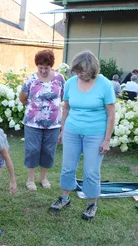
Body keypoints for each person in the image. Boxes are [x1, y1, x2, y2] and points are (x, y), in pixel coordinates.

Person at [49, 50, 115, 220]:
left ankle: (91, 204)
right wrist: (63, 130)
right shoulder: (71, 83)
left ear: (92, 68)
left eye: (82, 71)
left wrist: (107, 139)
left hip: (96, 133)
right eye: (77, 70)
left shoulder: (105, 84)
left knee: (91, 170)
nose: (79, 74)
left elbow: (111, 113)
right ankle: (64, 197)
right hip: (72, 131)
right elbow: (66, 108)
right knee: (67, 167)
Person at [19, 49, 65, 190]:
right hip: (33, 122)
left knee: (48, 151)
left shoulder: (60, 79)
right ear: (37, 65)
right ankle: (31, 179)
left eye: (47, 67)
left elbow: (63, 97)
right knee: (32, 150)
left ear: (51, 66)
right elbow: (22, 97)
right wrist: (32, 107)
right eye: (41, 67)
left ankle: (43, 178)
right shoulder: (31, 80)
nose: (43, 70)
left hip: (53, 123)